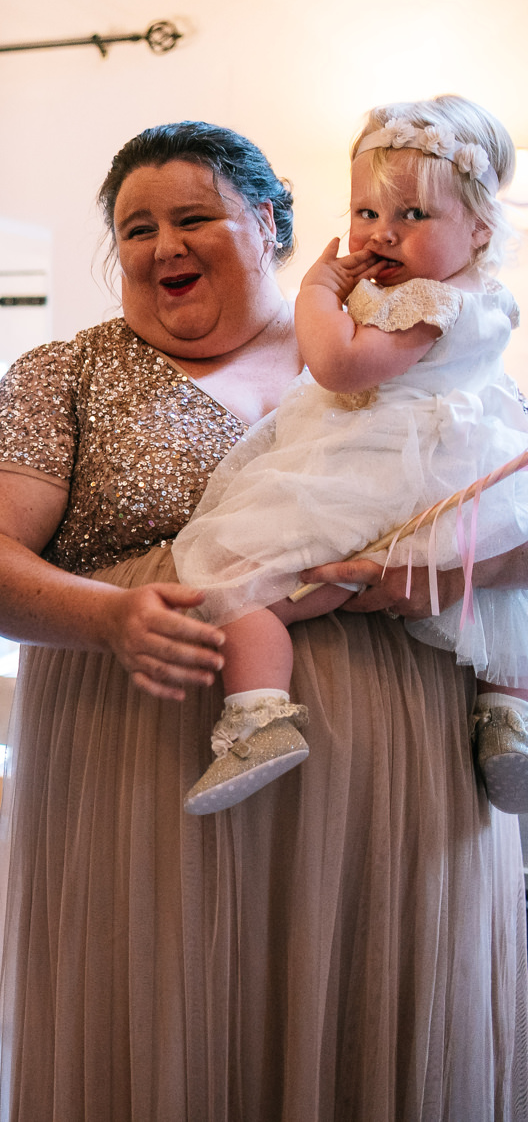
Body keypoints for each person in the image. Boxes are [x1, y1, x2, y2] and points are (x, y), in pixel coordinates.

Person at [0, 120, 528, 1121]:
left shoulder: (421, 357)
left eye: (192, 217)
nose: (162, 245)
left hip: (393, 798)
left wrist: (411, 582)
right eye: (135, 227)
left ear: (268, 222)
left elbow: (509, 523)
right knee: (169, 1033)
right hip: (147, 779)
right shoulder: (64, 376)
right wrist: (110, 615)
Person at [175, 96, 528, 814]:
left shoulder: (425, 302)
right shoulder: (483, 299)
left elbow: (337, 367)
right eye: (366, 214)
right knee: (498, 593)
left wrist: (318, 293)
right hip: (459, 474)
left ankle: (259, 712)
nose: (382, 236)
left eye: (412, 217)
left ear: (481, 229)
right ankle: (506, 720)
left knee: (244, 582)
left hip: (382, 469)